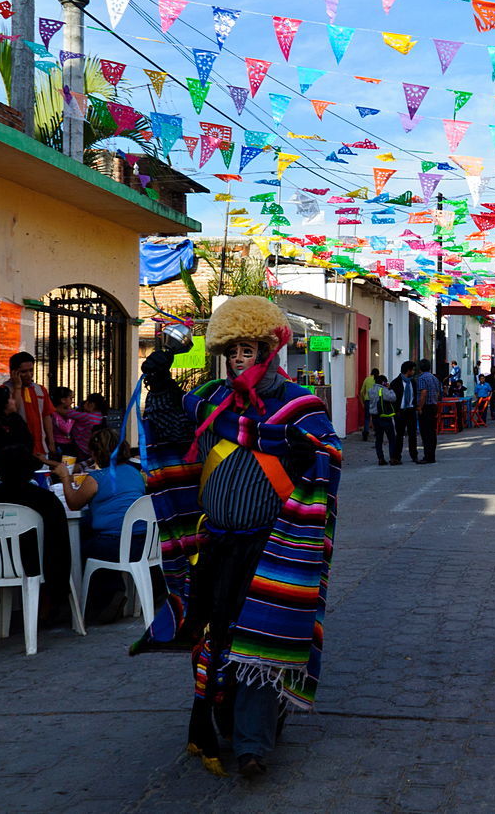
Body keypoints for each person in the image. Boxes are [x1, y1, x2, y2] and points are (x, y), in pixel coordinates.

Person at [133, 295, 343, 778]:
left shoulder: (299, 405)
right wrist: (160, 379)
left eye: (246, 350)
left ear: (268, 350)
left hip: (272, 546)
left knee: (260, 644)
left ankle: (252, 746)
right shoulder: (209, 400)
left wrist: (301, 450)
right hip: (216, 545)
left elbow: (330, 457)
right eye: (231, 351)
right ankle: (228, 726)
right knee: (214, 639)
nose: (237, 360)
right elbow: (167, 427)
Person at [0, 443, 73, 627]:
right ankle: (54, 605)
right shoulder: (45, 499)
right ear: (30, 471)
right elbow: (61, 544)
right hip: (37, 565)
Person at [53, 428, 147, 622]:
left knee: (78, 549)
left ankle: (100, 599)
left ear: (95, 453)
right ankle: (112, 593)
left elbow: (73, 503)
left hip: (115, 544)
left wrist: (64, 476)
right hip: (143, 542)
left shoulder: (97, 478)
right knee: (89, 531)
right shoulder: (134, 472)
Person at [4, 351, 57, 460]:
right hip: (18, 449)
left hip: (41, 448)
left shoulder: (40, 390)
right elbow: (13, 411)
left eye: (31, 370)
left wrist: (51, 442)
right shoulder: (4, 390)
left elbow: (46, 416)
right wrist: (17, 387)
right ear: (13, 372)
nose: (29, 375)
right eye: (24, 372)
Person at [52, 388, 103, 461]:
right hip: (88, 448)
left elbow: (69, 415)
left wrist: (52, 408)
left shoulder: (87, 416)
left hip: (81, 448)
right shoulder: (99, 415)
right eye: (71, 398)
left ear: (91, 404)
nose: (72, 401)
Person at [389, 360, 419, 465]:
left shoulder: (413, 382)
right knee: (399, 435)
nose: (414, 372)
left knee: (413, 434)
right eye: (413, 370)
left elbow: (415, 395)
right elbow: (391, 398)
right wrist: (395, 410)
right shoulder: (395, 383)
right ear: (408, 370)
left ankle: (414, 455)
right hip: (400, 412)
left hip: (411, 410)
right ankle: (397, 456)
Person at [415, 358, 442, 464]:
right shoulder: (434, 378)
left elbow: (423, 393)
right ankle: (432, 455)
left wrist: (420, 407)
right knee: (432, 432)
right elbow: (438, 393)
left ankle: (427, 456)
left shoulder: (421, 378)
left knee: (425, 432)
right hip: (433, 406)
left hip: (426, 407)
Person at [368, 375, 398, 465]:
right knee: (391, 438)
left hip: (375, 417)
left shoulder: (371, 390)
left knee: (379, 439)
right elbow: (393, 398)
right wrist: (390, 389)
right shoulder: (383, 390)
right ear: (383, 382)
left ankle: (380, 458)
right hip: (384, 416)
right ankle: (393, 458)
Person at [359, 368, 378, 442]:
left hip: (367, 400)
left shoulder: (367, 379)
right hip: (375, 401)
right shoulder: (378, 380)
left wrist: (363, 402)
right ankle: (376, 432)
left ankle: (366, 432)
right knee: (375, 417)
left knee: (367, 418)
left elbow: (361, 392)